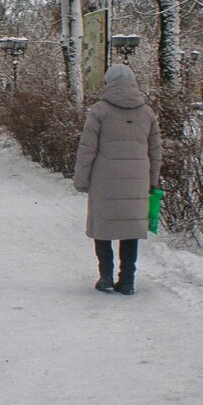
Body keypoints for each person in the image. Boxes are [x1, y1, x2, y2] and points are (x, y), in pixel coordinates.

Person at [72, 64, 162, 295]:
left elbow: (87, 149)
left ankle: (106, 277)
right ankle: (128, 281)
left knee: (103, 227)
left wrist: (81, 180)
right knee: (130, 229)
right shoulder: (147, 113)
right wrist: (153, 181)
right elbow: (155, 151)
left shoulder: (99, 111)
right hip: (137, 180)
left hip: (105, 180)